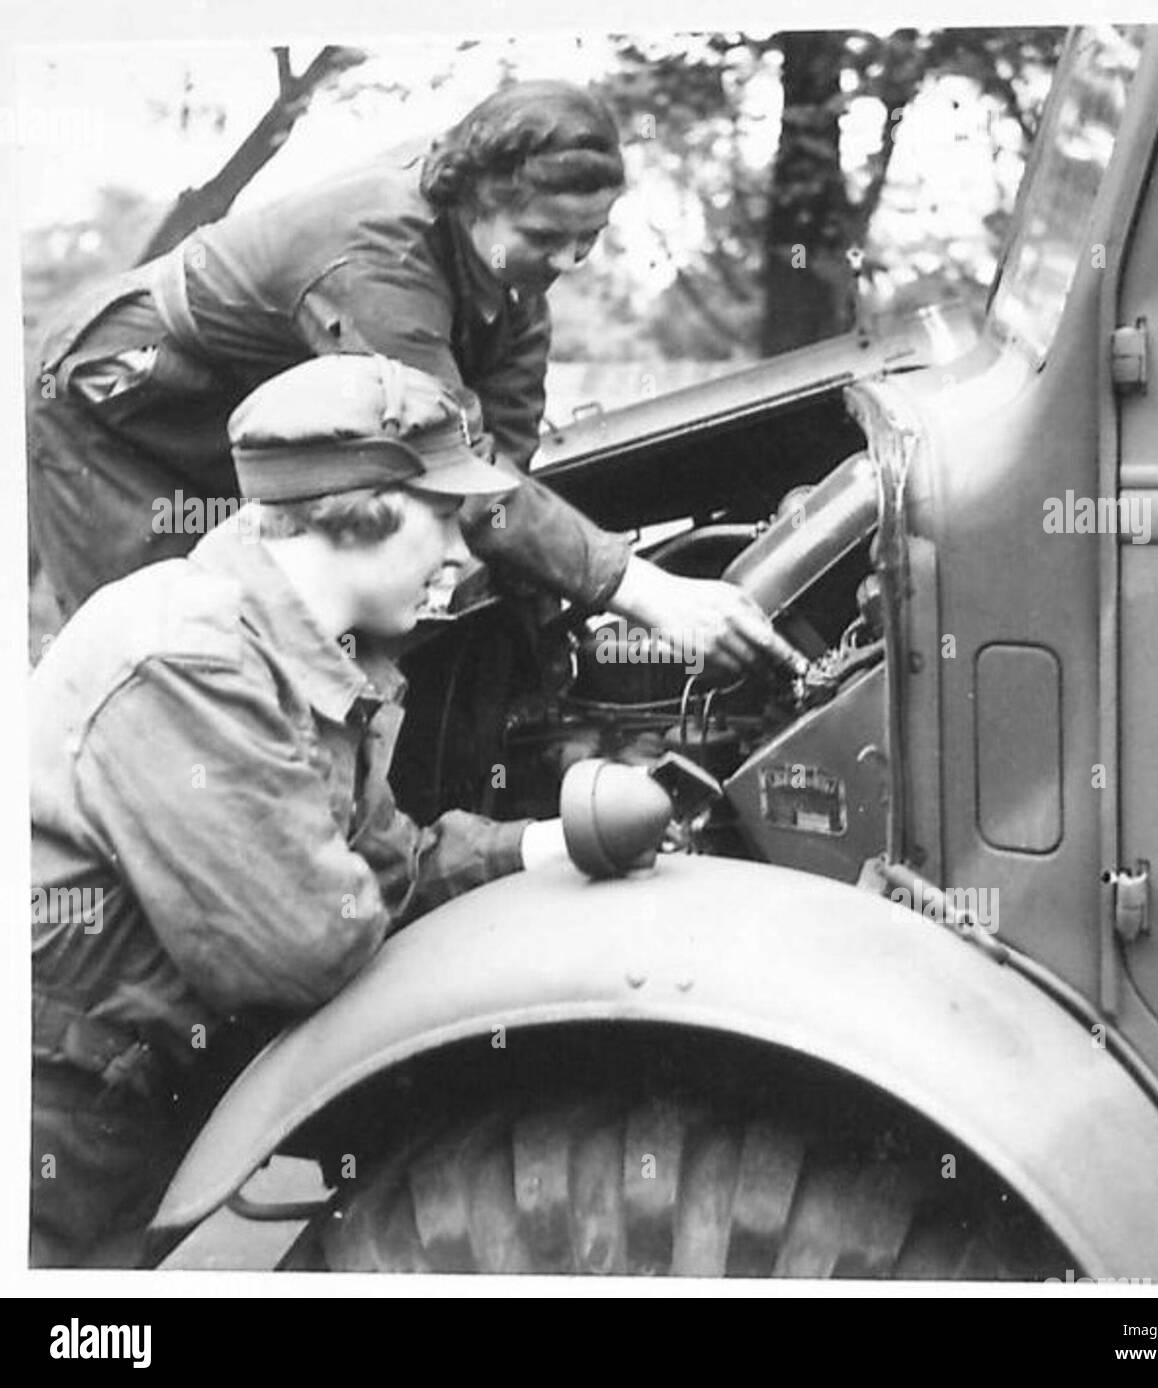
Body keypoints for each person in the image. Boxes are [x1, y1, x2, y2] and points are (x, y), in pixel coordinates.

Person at [29, 355, 585, 1268]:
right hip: (56, 1119)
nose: (458, 552)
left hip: (114, 1098)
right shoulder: (191, 659)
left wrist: (542, 847)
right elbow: (306, 945)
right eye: (444, 517)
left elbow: (387, 867)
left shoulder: (298, 652)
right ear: (361, 507)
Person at [27, 79, 792, 676]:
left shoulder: (514, 284)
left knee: (295, 625)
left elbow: (501, 478)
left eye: (587, 240)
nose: (567, 263)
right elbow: (447, 468)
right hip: (121, 405)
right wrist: (646, 591)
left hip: (249, 422)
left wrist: (543, 640)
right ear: (471, 204)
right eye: (544, 237)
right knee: (159, 648)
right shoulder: (380, 262)